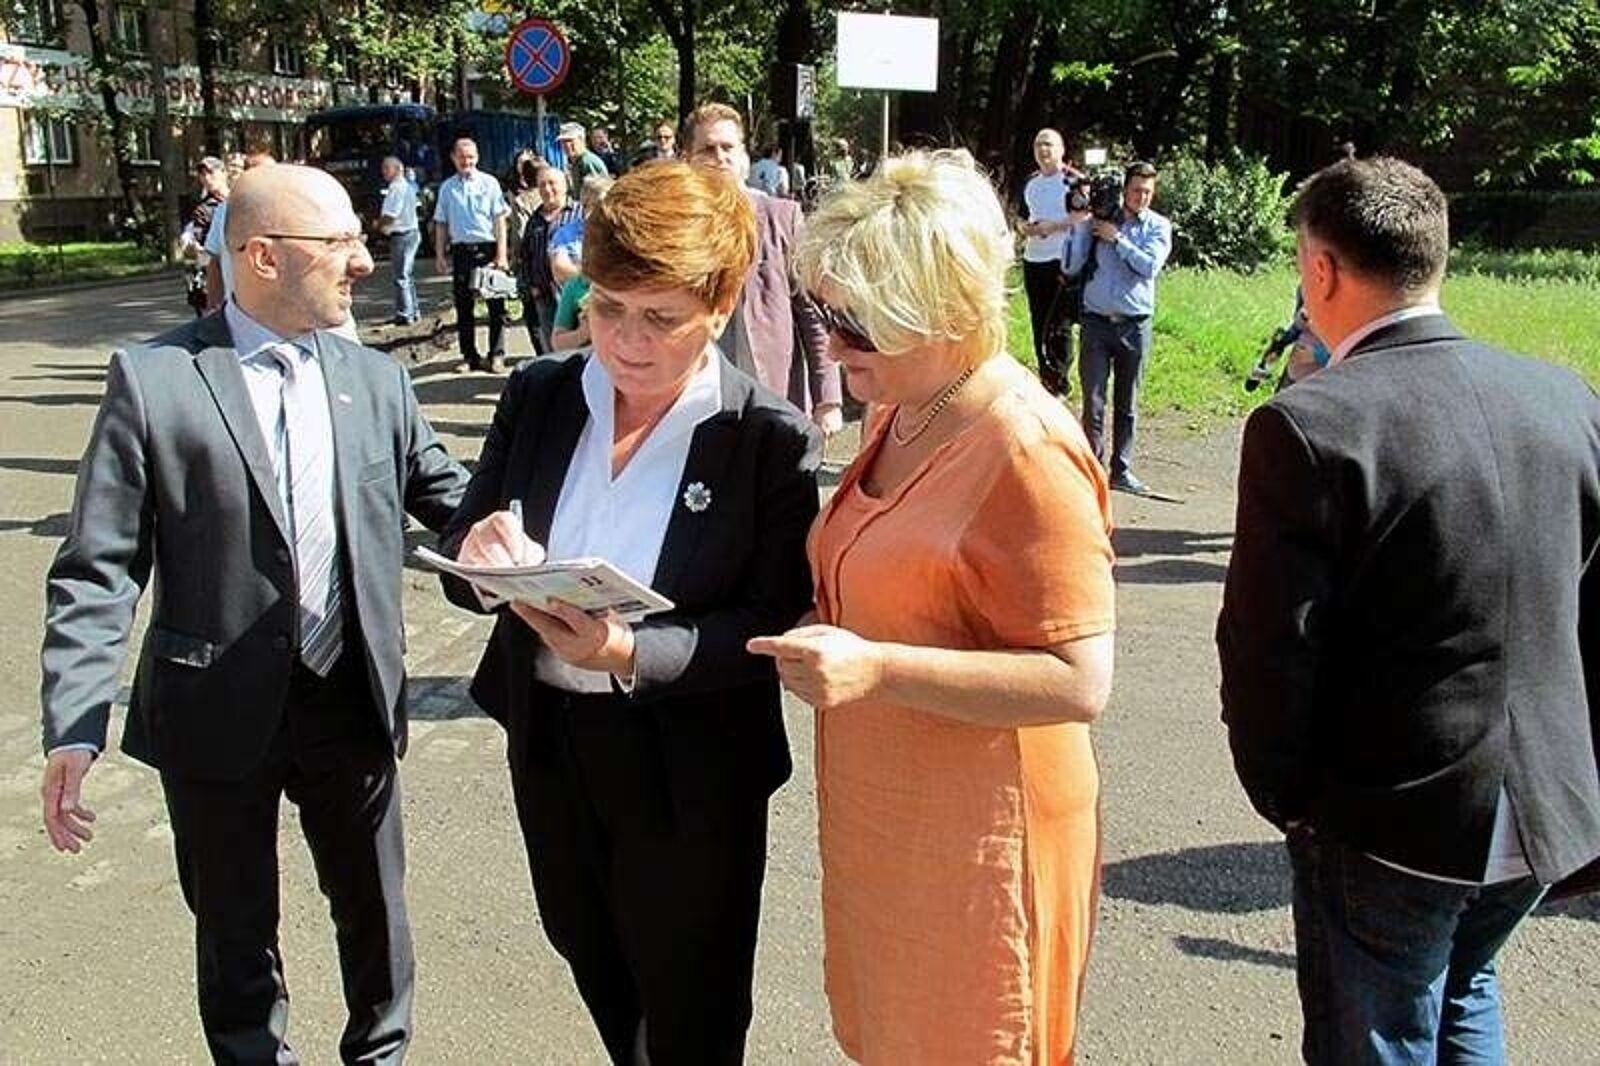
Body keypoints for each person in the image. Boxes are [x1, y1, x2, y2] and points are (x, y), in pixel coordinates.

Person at [38, 165, 469, 1064]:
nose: (362, 260)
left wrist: (532, 547)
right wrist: (74, 725)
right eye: (338, 242)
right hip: (213, 707)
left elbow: (456, 503)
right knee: (234, 934)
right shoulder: (155, 380)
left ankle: (380, 1055)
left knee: (376, 917)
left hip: (349, 694)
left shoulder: (375, 381)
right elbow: (98, 565)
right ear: (264, 257)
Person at [436, 159, 822, 1065]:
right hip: (551, 741)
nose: (626, 341)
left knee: (692, 1003)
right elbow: (463, 549)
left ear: (720, 308)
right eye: (608, 308)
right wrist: (481, 560)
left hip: (690, 766)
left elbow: (769, 620)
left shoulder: (768, 439)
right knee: (592, 954)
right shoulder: (540, 394)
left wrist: (628, 652)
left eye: (660, 318)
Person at [1217, 156, 1600, 1065]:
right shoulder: (1565, 398)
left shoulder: (1311, 423)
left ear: (1320, 271)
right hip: (1546, 800)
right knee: (1465, 987)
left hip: (1390, 813)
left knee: (1381, 1032)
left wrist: (1289, 799)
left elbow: (1269, 649)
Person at [749, 150, 1116, 1065]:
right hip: (895, 818)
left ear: (942, 311)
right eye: (826, 314)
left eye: (857, 324)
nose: (834, 345)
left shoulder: (1024, 448)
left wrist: (877, 667)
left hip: (983, 835)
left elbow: (1079, 682)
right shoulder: (903, 408)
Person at [685, 102, 843, 438]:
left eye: (728, 147)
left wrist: (827, 400)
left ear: (743, 156)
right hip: (697, 394)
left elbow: (812, 312)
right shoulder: (676, 226)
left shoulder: (781, 217)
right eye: (708, 149)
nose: (719, 157)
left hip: (772, 392)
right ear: (688, 159)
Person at [1063, 160, 1171, 495]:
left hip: (1134, 325)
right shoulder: (1099, 219)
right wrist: (1080, 225)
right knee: (1093, 401)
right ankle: (1092, 469)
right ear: (1125, 189)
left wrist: (1118, 239)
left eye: (1148, 192)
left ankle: (1121, 470)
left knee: (1128, 403)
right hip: (1095, 322)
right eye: (1136, 190)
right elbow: (1071, 266)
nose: (1142, 197)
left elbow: (1150, 267)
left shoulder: (1158, 226)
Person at [433, 136, 510, 373]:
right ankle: (469, 356)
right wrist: (439, 255)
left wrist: (502, 254)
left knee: (496, 306)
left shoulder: (489, 183)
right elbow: (441, 223)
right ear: (453, 158)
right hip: (461, 251)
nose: (467, 162)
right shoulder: (447, 188)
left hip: (488, 249)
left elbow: (500, 220)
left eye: (471, 157)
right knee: (464, 307)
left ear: (477, 157)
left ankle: (497, 354)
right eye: (462, 157)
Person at [1019, 128, 1084, 395]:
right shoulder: (1030, 183)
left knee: (1059, 322)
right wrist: (1026, 228)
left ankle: (1060, 380)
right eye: (1038, 145)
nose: (1043, 150)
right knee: (1039, 319)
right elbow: (1021, 216)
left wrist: (1053, 226)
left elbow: (1084, 217)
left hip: (1062, 259)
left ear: (1061, 149)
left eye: (1048, 145)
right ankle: (1045, 375)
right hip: (1033, 258)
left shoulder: (1074, 180)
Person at [204, 146, 276, 312]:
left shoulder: (289, 209)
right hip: (239, 313)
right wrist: (213, 310)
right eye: (264, 174)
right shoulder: (225, 210)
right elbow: (215, 262)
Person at [517, 163, 580, 355]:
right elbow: (525, 256)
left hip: (576, 294)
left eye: (552, 183)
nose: (547, 189)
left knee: (579, 344)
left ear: (565, 185)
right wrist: (531, 286)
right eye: (542, 185)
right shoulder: (535, 219)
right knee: (552, 348)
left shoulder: (578, 214)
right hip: (544, 295)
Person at [181, 156, 228, 317]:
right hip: (215, 274)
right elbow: (198, 243)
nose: (207, 178)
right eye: (202, 174)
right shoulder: (203, 210)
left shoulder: (238, 199)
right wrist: (192, 247)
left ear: (223, 173)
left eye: (211, 172)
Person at [377, 155, 421, 325]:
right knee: (407, 275)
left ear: (397, 169)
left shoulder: (397, 188)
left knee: (401, 276)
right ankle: (413, 311)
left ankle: (405, 314)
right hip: (411, 232)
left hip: (402, 234)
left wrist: (377, 225)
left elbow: (391, 214)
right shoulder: (408, 186)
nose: (383, 172)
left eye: (386, 168)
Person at [548, 173, 612, 291]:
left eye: (598, 204)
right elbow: (560, 270)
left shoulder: (622, 231)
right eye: (588, 205)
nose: (592, 210)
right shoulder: (565, 233)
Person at [555, 122, 611, 202]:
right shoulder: (576, 162)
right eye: (563, 142)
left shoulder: (588, 162)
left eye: (570, 140)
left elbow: (597, 194)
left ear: (581, 140)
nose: (566, 145)